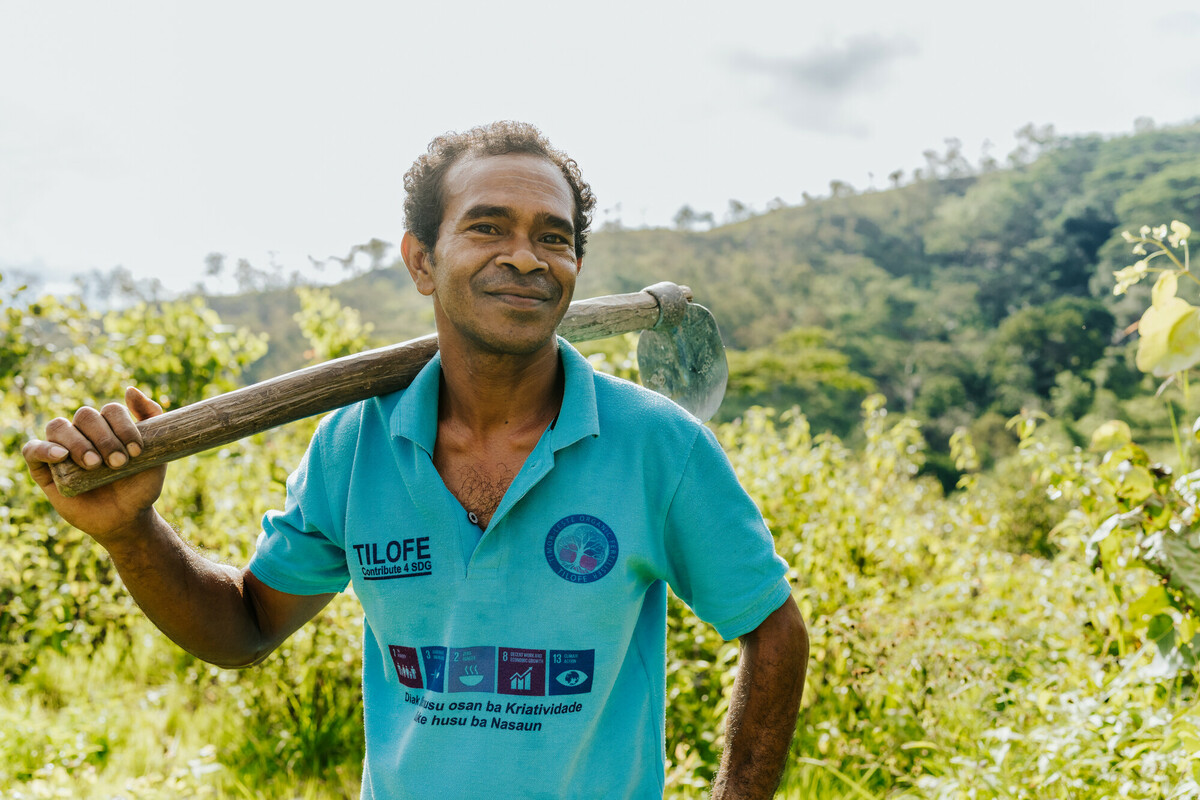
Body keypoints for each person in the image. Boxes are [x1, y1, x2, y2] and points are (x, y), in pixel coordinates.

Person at [23, 121, 808, 799]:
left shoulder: (657, 446)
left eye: (553, 237)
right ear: (421, 260)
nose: (527, 258)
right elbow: (246, 628)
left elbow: (773, 630)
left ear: (574, 269)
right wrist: (132, 533)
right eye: (488, 227)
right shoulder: (353, 445)